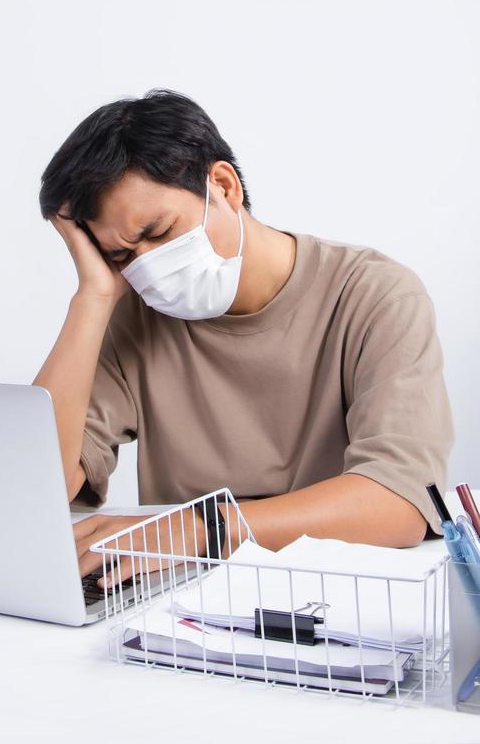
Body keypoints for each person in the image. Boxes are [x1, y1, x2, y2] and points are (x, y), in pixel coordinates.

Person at [33, 88, 454, 591]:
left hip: (344, 598)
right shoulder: (133, 318)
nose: (147, 265)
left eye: (160, 231)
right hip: (183, 607)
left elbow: (400, 502)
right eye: (122, 255)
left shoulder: (374, 295)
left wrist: (198, 530)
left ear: (224, 185)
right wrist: (93, 298)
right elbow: (41, 489)